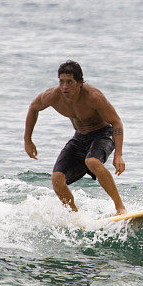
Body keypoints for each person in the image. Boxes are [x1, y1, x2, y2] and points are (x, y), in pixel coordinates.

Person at [24, 60, 127, 215]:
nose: (64, 87)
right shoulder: (53, 96)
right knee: (57, 179)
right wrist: (28, 140)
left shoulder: (93, 97)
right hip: (79, 137)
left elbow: (116, 122)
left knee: (92, 161)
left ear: (79, 83)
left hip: (103, 133)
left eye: (69, 82)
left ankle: (120, 207)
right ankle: (75, 216)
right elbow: (33, 108)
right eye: (61, 81)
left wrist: (118, 155)